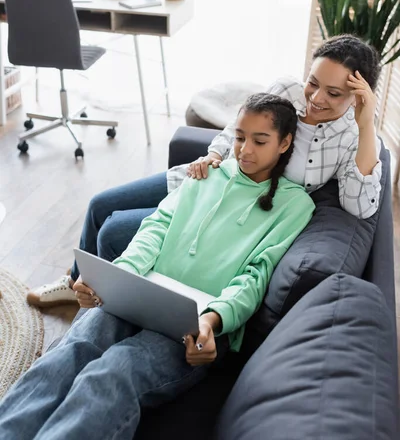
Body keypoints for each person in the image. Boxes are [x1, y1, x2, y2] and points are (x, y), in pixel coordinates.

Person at [0, 93, 315, 440]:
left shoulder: (294, 204)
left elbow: (256, 275)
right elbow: (156, 226)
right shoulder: (206, 173)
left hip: (198, 324)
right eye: (240, 137)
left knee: (113, 373)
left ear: (284, 143)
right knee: (69, 353)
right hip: (142, 294)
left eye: (260, 140)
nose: (245, 150)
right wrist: (118, 278)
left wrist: (212, 320)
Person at [27, 34, 382, 308]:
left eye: (334, 93)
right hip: (214, 177)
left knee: (115, 229)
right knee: (100, 204)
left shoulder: (354, 137)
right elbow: (236, 128)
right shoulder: (287, 88)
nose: (316, 98)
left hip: (238, 211)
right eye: (313, 82)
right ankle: (75, 283)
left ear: (358, 95)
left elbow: (361, 207)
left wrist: (367, 125)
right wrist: (213, 156)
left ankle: (100, 297)